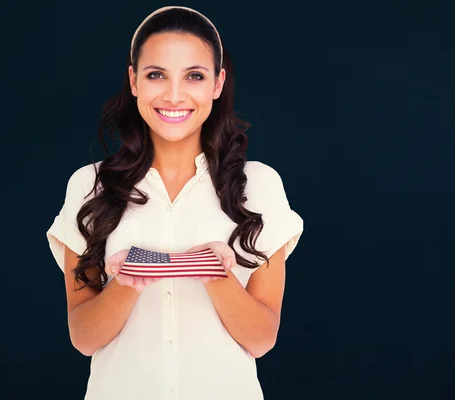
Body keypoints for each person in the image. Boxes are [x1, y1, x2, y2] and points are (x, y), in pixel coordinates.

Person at [46, 6, 303, 400]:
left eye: (194, 76)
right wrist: (127, 283)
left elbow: (261, 339)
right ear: (134, 80)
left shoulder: (260, 186)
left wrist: (216, 273)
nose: (174, 95)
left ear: (217, 84)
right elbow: (83, 337)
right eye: (156, 75)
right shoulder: (89, 185)